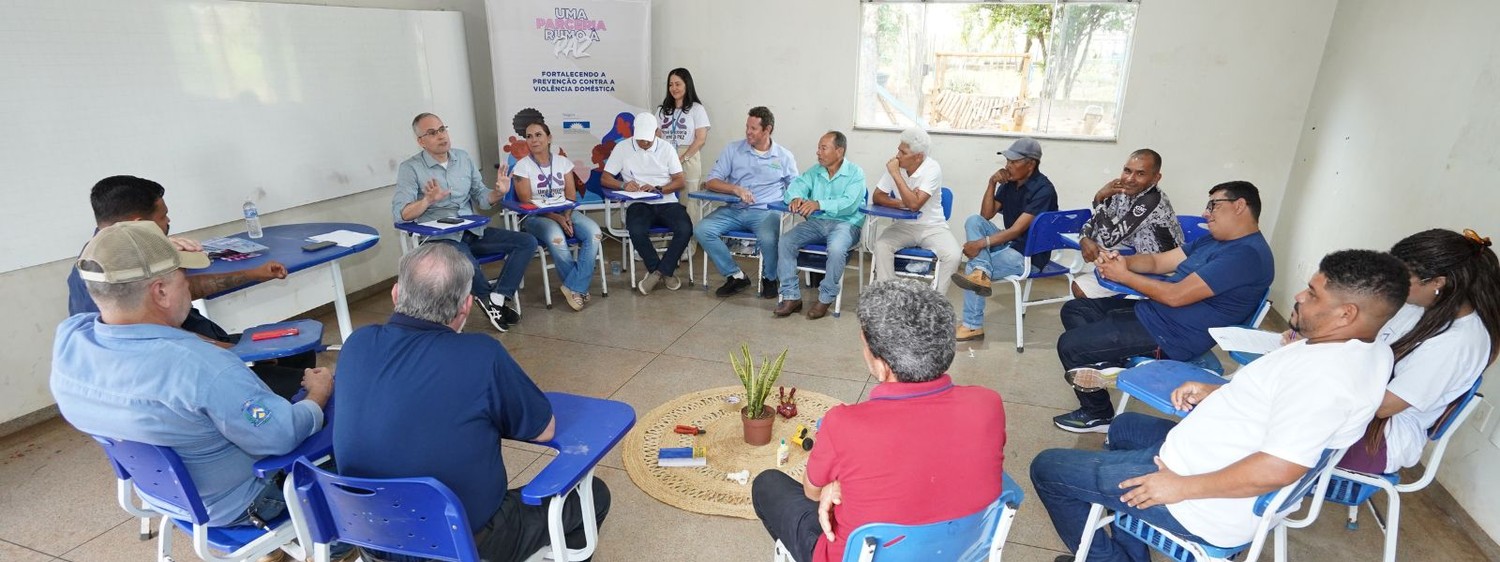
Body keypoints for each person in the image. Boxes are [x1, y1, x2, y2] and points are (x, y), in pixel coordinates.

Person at [1030, 250, 1408, 562]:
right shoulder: (1371, 349)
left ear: (1346, 314)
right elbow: (1280, 398)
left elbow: (1279, 467)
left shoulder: (1325, 380)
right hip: (1209, 454)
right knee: (1125, 426)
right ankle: (1130, 544)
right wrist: (1219, 394)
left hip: (1203, 499)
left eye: (1313, 294)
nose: (1298, 296)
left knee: (1047, 468)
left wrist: (1179, 487)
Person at [333, 242, 609, 562]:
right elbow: (544, 430)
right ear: (465, 306)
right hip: (464, 543)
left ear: (396, 294)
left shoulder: (356, 344)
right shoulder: (481, 354)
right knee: (594, 496)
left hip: (374, 539)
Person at [52, 221, 331, 528]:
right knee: (340, 415)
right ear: (160, 292)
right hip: (245, 503)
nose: (188, 284)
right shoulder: (204, 367)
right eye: (183, 276)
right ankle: (331, 542)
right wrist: (317, 393)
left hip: (164, 496)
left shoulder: (69, 341)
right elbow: (283, 436)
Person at [752, 280, 1005, 562]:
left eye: (864, 346)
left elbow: (811, 492)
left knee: (767, 483)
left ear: (882, 365)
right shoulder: (989, 404)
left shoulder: (845, 424)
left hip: (847, 555)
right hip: (958, 552)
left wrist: (831, 487)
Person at [1054, 181, 1274, 434]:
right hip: (1158, 314)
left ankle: (1098, 414)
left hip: (1173, 335)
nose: (1205, 213)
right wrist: (1121, 261)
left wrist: (1123, 276)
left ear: (1239, 206)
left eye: (1213, 205)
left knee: (1070, 346)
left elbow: (1176, 296)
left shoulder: (1245, 254)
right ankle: (1113, 361)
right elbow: (1158, 262)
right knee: (1076, 310)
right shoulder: (1214, 242)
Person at [66, 175, 308, 399]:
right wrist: (238, 353)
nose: (168, 221)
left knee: (298, 352)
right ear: (138, 223)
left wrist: (253, 274)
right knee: (309, 383)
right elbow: (155, 342)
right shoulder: (104, 276)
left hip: (203, 348)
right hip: (188, 370)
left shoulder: (126, 252)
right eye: (163, 216)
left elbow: (183, 289)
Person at [1335, 228, 1499, 474]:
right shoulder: (1421, 306)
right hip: (1360, 416)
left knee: (1274, 424)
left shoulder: (1457, 343)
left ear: (1437, 283)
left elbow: (1384, 407)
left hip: (1379, 439)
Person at [393, 112, 536, 332]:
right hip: (439, 238)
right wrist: (427, 201)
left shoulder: (463, 158)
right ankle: (487, 299)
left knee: (526, 242)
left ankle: (498, 297)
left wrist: (499, 192)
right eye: (432, 133)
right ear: (421, 141)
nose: (441, 136)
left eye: (442, 129)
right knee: (465, 260)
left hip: (472, 231)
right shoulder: (410, 168)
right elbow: (401, 214)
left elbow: (482, 197)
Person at [951, 137, 1059, 341]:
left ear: (1031, 164)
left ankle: (973, 326)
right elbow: (986, 215)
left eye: (1014, 162)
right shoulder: (1010, 183)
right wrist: (991, 183)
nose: (1008, 166)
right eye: (1007, 161)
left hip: (1029, 255)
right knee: (974, 220)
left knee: (970, 270)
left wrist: (980, 244)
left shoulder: (1043, 190)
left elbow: (1017, 230)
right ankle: (981, 270)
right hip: (1010, 245)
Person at [694, 106, 798, 298]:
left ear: (767, 130)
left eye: (754, 128)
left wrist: (795, 199)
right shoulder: (733, 150)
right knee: (702, 230)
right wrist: (735, 189)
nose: (748, 132)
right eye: (747, 127)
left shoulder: (784, 156)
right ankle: (735, 275)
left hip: (766, 212)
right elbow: (712, 181)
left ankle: (769, 277)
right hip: (735, 209)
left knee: (768, 238)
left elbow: (796, 188)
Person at [511, 117, 602, 311]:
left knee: (594, 233)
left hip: (565, 211)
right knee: (556, 236)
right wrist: (557, 218)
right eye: (529, 136)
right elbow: (527, 201)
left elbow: (570, 196)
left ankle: (574, 287)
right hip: (536, 217)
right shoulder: (522, 167)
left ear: (549, 138)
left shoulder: (563, 163)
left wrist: (567, 216)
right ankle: (578, 288)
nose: (534, 140)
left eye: (538, 135)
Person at [774, 131, 866, 320]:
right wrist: (796, 197)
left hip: (846, 224)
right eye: (818, 148)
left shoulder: (855, 173)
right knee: (785, 241)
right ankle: (791, 296)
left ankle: (825, 297)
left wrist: (819, 204)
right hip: (817, 222)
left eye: (823, 148)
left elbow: (850, 204)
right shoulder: (815, 171)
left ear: (839, 151)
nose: (818, 152)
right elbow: (795, 187)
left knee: (837, 248)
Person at [1072, 149, 1185, 298]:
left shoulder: (1152, 200)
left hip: (1165, 270)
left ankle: (1117, 316)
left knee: (1084, 284)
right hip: (1136, 259)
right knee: (1080, 286)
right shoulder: (1123, 191)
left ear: (1155, 178)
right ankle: (1112, 315)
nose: (1130, 179)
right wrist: (1084, 239)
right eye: (1127, 171)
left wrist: (1098, 198)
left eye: (1140, 174)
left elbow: (1110, 238)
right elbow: (1095, 221)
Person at [602, 112, 693, 294]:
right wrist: (623, 184)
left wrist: (659, 188)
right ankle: (663, 272)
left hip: (666, 201)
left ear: (656, 132)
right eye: (640, 139)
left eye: (647, 140)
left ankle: (657, 273)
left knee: (685, 229)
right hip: (639, 203)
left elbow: (679, 181)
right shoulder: (622, 148)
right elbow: (605, 178)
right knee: (636, 230)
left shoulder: (666, 148)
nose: (643, 143)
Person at [869, 128, 961, 292]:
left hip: (932, 227)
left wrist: (896, 175)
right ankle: (890, 296)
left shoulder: (932, 168)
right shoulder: (896, 166)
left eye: (903, 152)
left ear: (918, 157)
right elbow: (877, 197)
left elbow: (914, 205)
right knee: (881, 246)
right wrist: (900, 203)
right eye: (898, 149)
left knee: (953, 255)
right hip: (903, 226)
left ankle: (936, 301)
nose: (897, 155)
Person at [655, 68, 710, 195]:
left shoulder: (697, 109)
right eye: (670, 84)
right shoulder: (661, 110)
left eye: (678, 84)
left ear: (687, 85)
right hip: (665, 157)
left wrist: (682, 159)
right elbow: (656, 136)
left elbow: (701, 139)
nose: (674, 88)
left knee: (690, 201)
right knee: (665, 197)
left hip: (688, 157)